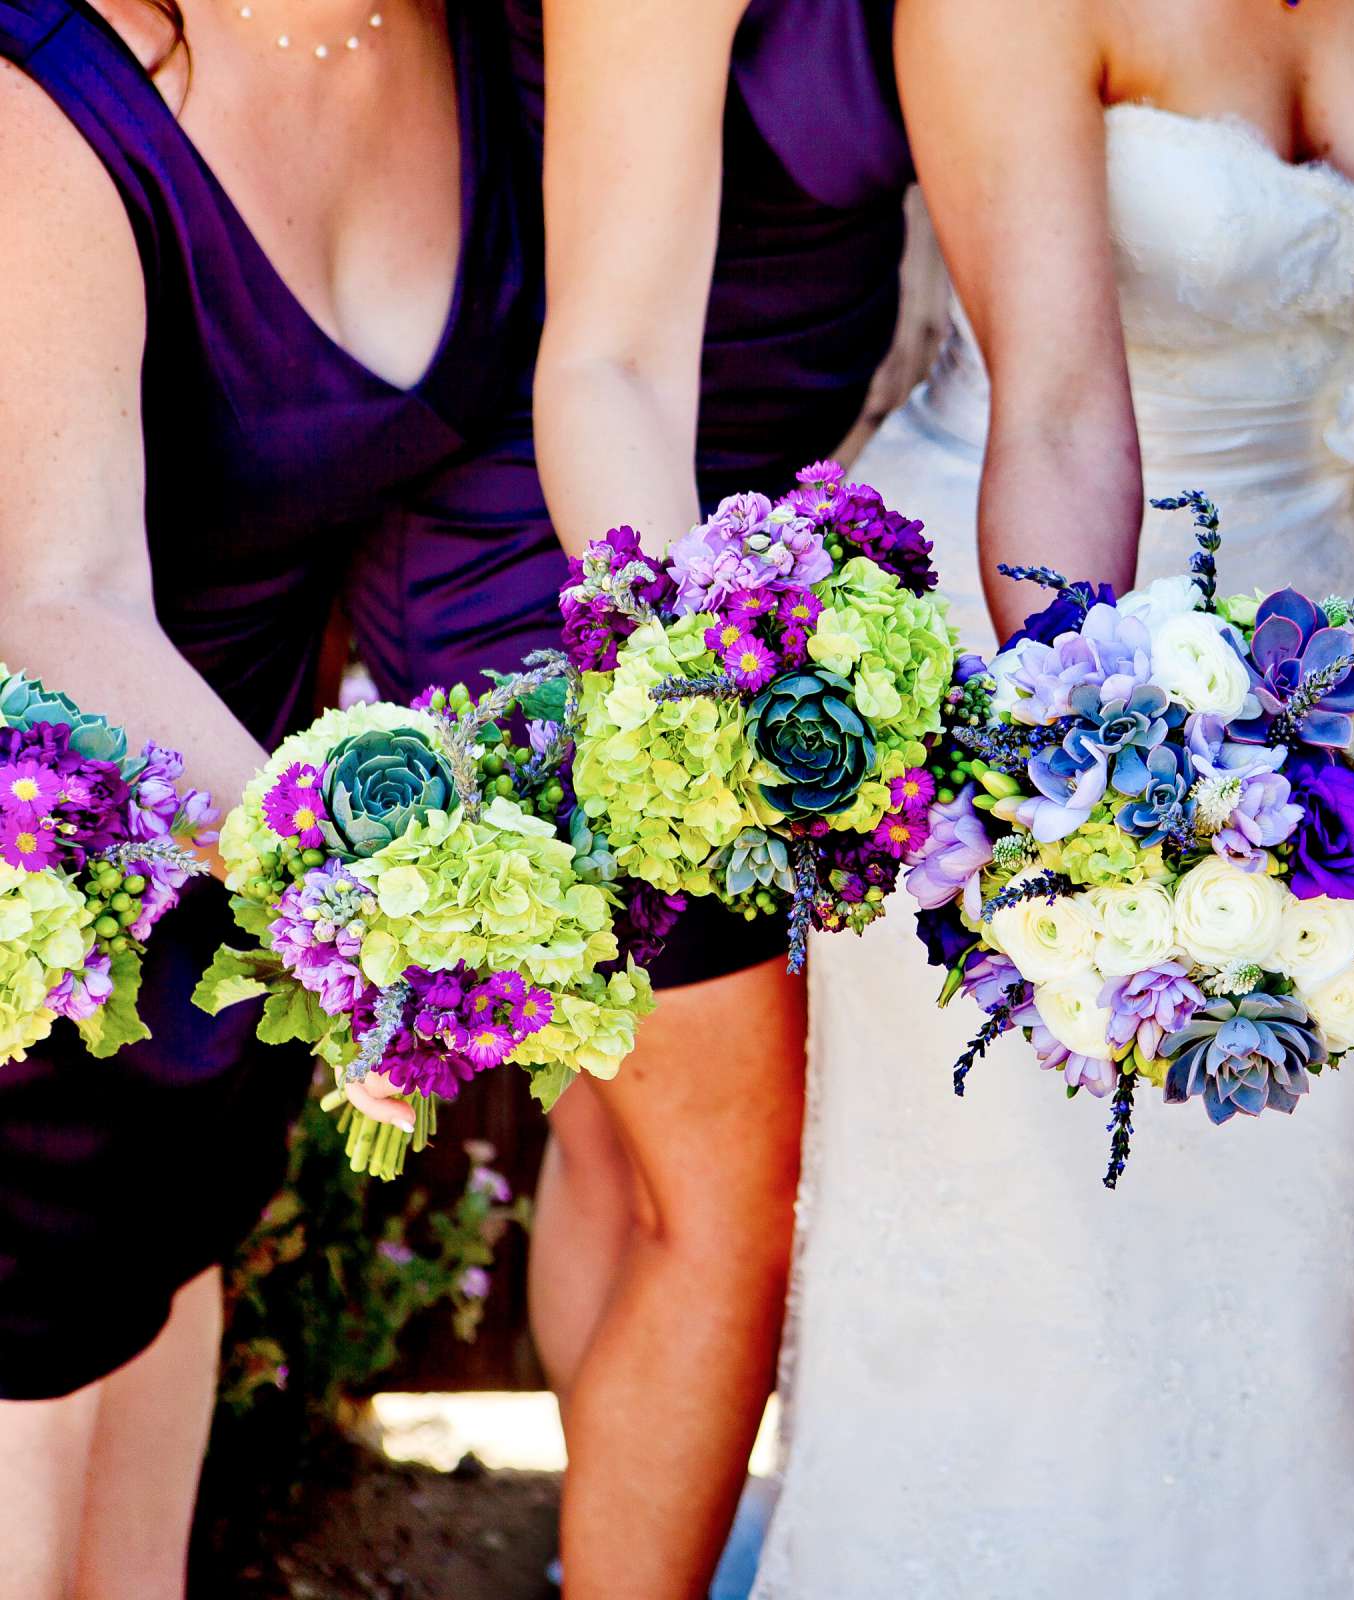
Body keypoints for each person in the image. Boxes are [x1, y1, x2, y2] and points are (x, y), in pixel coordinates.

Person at [747, 0, 1354, 1591]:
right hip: (1035, 637)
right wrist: (1089, 817)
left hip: (1324, 682)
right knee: (1040, 1287)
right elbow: (1067, 405)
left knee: (1279, 1293)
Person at [334, 2, 912, 1593]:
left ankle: (599, 1559)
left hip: (720, 524)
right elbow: (608, 353)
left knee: (622, 1138)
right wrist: (677, 691)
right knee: (726, 1198)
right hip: (581, 544)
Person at [0, 0, 539, 1591]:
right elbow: (60, 593)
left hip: (221, 924)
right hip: (44, 932)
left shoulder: (483, 44)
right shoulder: (51, 88)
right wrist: (386, 890)